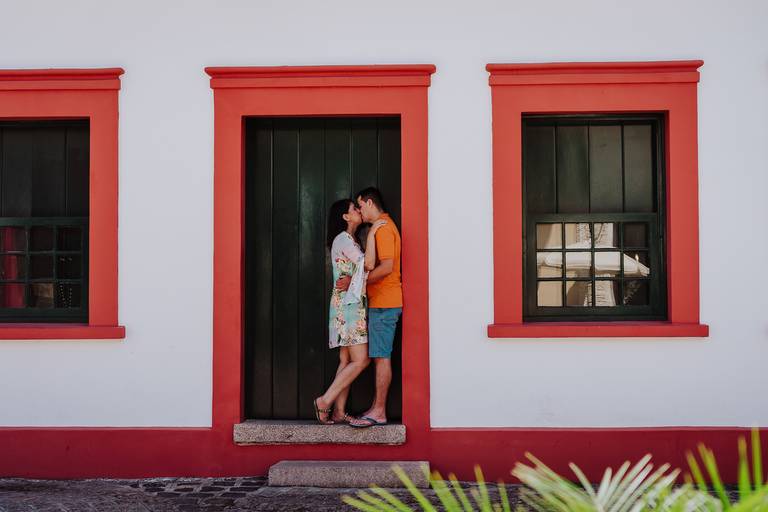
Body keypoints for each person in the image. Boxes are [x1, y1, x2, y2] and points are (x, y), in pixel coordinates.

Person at [313, 199, 386, 425]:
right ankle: (324, 401)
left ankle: (338, 411)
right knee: (361, 360)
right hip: (349, 308)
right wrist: (373, 232)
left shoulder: (347, 240)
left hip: (346, 305)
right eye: (354, 208)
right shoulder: (343, 239)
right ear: (346, 217)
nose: (358, 210)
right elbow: (368, 264)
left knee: (346, 360)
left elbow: (357, 270)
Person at [339, 187, 402, 428]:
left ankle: (379, 411)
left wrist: (359, 284)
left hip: (385, 303)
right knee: (379, 356)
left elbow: (386, 267)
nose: (359, 211)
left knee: (381, 358)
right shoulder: (383, 227)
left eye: (360, 205)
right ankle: (377, 408)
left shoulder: (383, 229)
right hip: (383, 302)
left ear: (368, 202)